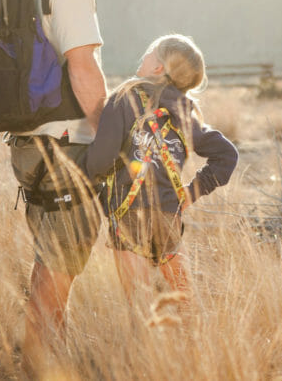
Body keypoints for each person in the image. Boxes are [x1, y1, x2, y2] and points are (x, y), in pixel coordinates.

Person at [6, 0, 134, 377]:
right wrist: (109, 130)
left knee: (53, 261)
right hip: (62, 145)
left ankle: (44, 358)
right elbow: (83, 67)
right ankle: (36, 364)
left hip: (32, 144)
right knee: (60, 265)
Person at [78, 34, 238, 305]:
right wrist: (192, 192)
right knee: (184, 297)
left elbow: (101, 159)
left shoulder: (124, 99)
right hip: (168, 213)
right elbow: (227, 155)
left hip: (127, 213)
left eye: (151, 52)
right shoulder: (186, 112)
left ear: (158, 68)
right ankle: (192, 343)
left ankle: (143, 346)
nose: (145, 55)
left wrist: (80, 175)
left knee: (137, 303)